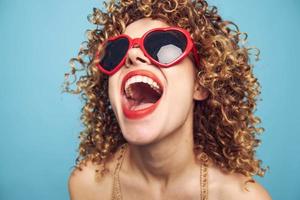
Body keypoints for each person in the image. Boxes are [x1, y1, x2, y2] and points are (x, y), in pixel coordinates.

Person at [63, 0, 271, 199]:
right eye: (116, 51)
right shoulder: (86, 185)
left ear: (200, 84)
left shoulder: (242, 197)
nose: (133, 56)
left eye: (164, 45)